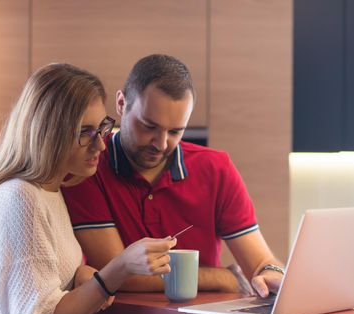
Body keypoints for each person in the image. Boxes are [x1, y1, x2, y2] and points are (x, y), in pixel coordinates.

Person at [0, 63, 176, 314]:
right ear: (49, 131)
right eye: (85, 132)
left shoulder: (49, 193)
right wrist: (119, 268)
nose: (101, 146)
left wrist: (78, 277)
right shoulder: (21, 199)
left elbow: (36, 286)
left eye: (102, 128)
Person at [62, 54, 284, 298]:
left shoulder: (216, 168)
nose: (161, 143)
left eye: (175, 131)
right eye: (149, 126)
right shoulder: (88, 166)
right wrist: (223, 277)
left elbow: (261, 261)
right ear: (122, 103)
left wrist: (271, 273)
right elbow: (115, 273)